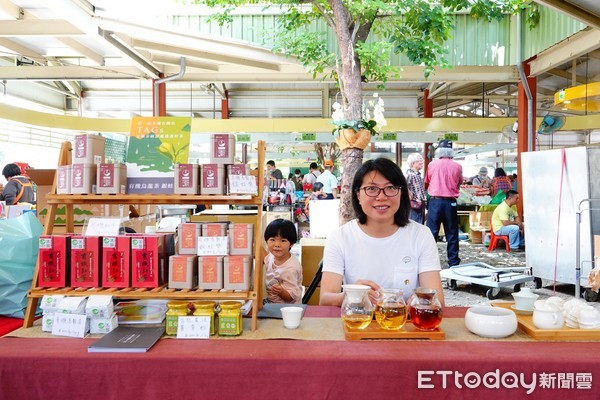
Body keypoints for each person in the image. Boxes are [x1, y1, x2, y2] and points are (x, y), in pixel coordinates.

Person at [319, 158, 444, 306]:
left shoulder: (421, 235)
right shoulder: (340, 237)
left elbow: (438, 300)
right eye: (371, 189)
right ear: (358, 195)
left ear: (401, 193)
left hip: (404, 324)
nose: (381, 197)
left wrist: (421, 300)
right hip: (358, 322)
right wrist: (352, 295)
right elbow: (325, 300)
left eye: (390, 188)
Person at [424, 142, 463, 268]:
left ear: (438, 152)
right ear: (451, 152)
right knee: (452, 233)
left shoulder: (432, 165)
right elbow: (459, 182)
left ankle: (428, 261)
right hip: (450, 202)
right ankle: (453, 263)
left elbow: (427, 181)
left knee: (431, 233)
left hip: (435, 202)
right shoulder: (457, 166)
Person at [263, 218, 303, 304]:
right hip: (272, 303)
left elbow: (291, 298)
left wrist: (281, 292)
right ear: (266, 241)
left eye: (283, 240)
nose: (277, 245)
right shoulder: (271, 256)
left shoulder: (291, 268)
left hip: (288, 308)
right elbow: (264, 257)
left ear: (291, 244)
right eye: (272, 240)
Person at [405, 152, 426, 224]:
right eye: (419, 160)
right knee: (414, 225)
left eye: (422, 160)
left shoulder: (418, 175)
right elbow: (403, 186)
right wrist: (411, 196)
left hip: (420, 204)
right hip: (414, 204)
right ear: (413, 163)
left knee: (420, 225)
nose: (422, 162)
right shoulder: (409, 174)